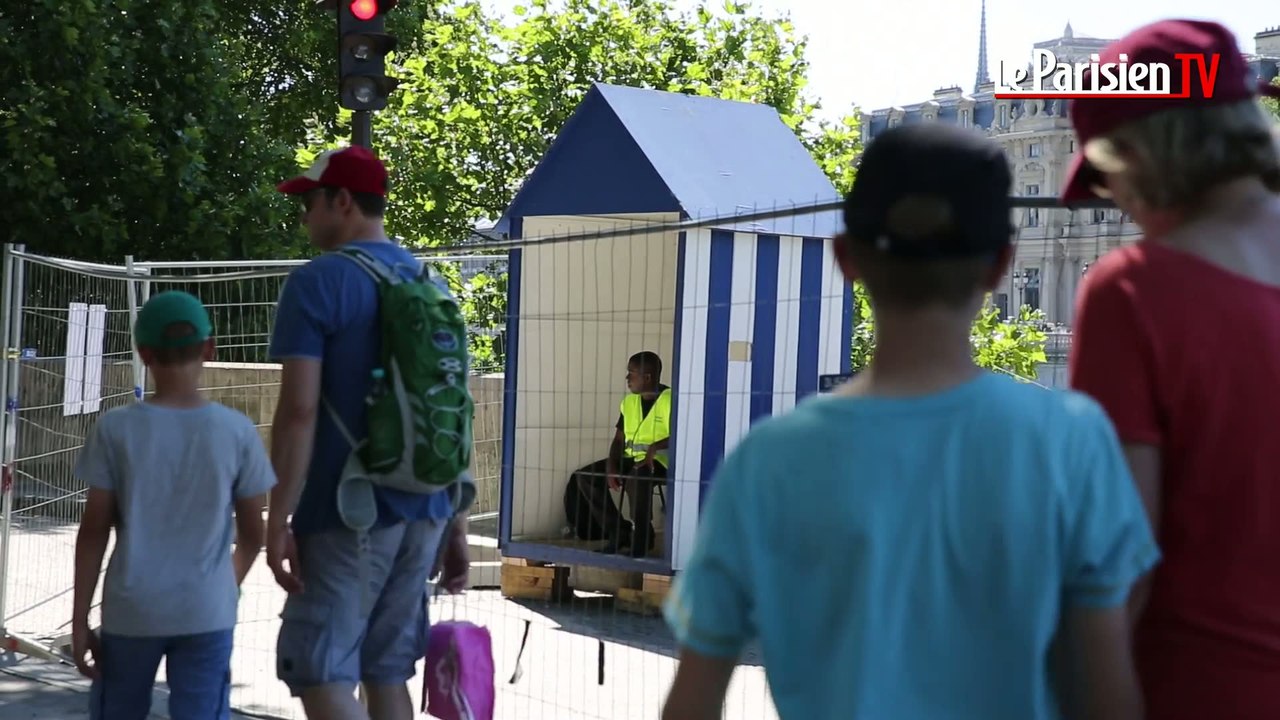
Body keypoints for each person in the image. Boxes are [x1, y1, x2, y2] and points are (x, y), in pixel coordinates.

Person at [660, 123, 1159, 720]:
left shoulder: (766, 461)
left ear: (846, 258)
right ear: (1000, 265)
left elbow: (692, 701)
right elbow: (1107, 692)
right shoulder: (1071, 442)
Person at [1063, 19, 1280, 720]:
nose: (1112, 198)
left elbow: (1115, 572)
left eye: (1104, 175)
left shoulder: (1134, 292)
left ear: (1141, 151)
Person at [267, 146, 471, 719]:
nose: (304, 215)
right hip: (427, 509)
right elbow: (453, 408)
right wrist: (455, 522)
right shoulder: (432, 283)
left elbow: (299, 411)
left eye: (310, 201)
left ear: (342, 201)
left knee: (320, 670)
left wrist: (277, 519)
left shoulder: (318, 282)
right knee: (386, 670)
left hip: (347, 510)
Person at [70, 290, 275, 719]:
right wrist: (226, 583)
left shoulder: (115, 429)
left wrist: (79, 619)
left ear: (144, 353)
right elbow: (254, 534)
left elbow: (93, 532)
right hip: (206, 610)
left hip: (132, 611)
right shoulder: (237, 431)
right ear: (209, 348)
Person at [569, 351, 670, 558]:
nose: (627, 378)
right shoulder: (629, 403)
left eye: (631, 373)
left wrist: (654, 448)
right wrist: (611, 466)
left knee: (637, 477)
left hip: (662, 462)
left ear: (647, 377)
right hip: (631, 459)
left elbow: (682, 434)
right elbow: (618, 439)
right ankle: (618, 532)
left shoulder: (671, 400)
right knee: (586, 477)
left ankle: (642, 539)